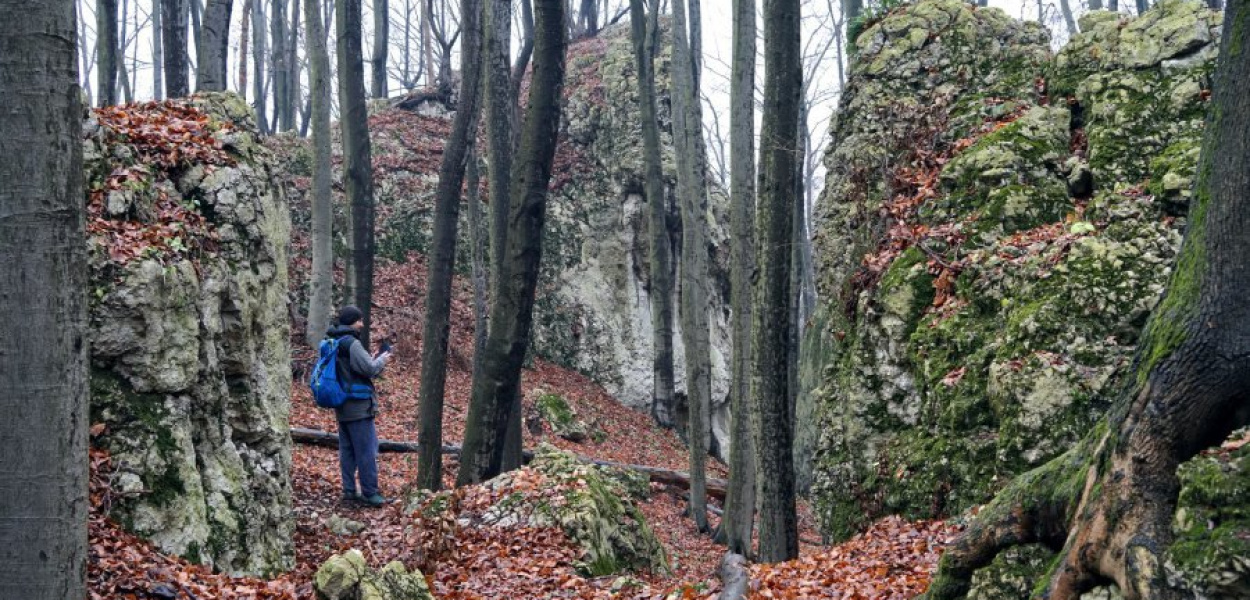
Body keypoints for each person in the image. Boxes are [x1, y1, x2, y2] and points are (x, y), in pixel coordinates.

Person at [325, 306, 392, 507]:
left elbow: (351, 369)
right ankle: (370, 493)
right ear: (352, 321)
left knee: (347, 451)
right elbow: (370, 370)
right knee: (366, 450)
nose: (362, 324)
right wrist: (382, 359)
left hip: (342, 405)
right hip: (358, 407)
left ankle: (349, 490)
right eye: (360, 320)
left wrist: (368, 360)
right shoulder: (352, 343)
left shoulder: (334, 341)